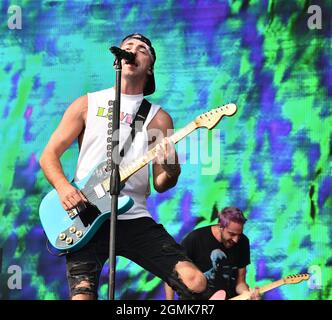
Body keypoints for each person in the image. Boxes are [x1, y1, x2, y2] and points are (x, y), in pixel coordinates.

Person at [39, 33, 213, 300]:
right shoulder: (87, 104)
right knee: (82, 297)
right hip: (86, 214)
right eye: (128, 47)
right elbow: (49, 155)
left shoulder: (159, 118)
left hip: (134, 218)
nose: (133, 50)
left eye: (142, 49)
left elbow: (160, 183)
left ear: (150, 66)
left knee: (195, 281)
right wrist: (63, 188)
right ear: (117, 61)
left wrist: (172, 168)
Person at [165, 207, 261, 300]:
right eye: (232, 234)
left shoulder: (243, 242)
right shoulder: (195, 239)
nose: (236, 240)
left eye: (239, 234)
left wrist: (247, 294)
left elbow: (240, 282)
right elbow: (170, 274)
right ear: (220, 226)